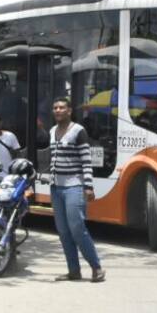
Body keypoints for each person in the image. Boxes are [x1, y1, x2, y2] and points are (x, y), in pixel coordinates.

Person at [49, 97, 104, 282]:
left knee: (77, 229)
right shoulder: (51, 131)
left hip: (74, 186)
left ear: (69, 110)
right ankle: (73, 270)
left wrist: (88, 186)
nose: (58, 110)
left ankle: (96, 268)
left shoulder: (78, 131)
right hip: (56, 188)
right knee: (63, 232)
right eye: (55, 108)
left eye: (62, 107)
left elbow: (86, 161)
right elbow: (53, 160)